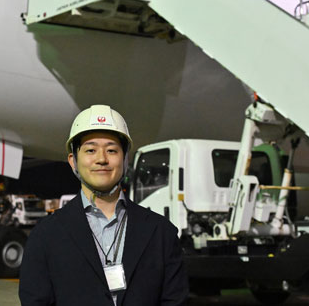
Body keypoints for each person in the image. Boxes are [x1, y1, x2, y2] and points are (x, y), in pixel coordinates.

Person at [19, 105, 188, 305]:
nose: (101, 159)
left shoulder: (161, 233)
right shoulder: (45, 235)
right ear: (73, 161)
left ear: (125, 160)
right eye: (91, 150)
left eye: (111, 150)